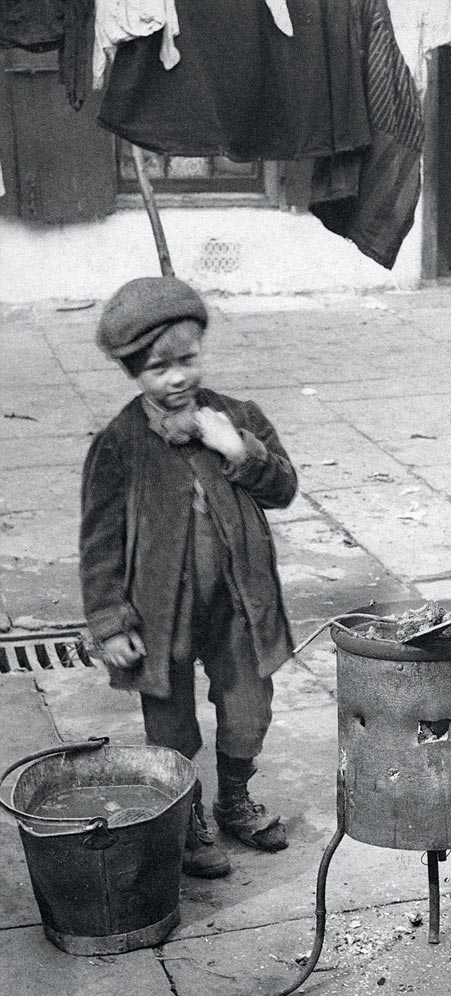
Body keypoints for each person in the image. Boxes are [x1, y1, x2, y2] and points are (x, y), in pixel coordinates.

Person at [80, 276, 297, 878]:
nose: (176, 378)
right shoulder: (121, 444)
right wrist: (109, 619)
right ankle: (188, 815)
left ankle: (234, 798)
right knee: (170, 724)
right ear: (134, 373)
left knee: (249, 706)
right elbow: (98, 542)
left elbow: (283, 489)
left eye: (187, 360)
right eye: (157, 368)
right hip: (158, 612)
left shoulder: (238, 417)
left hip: (238, 604)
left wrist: (239, 449)